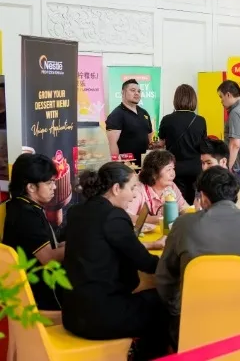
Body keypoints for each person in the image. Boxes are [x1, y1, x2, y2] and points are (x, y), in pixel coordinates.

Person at [156, 166, 240, 347]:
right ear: (235, 195)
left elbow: (165, 277)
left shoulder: (183, 225)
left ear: (203, 198)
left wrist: (177, 309)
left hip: (194, 326)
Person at [62, 163, 169, 361]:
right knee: (162, 303)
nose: (134, 195)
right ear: (116, 188)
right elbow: (146, 263)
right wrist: (176, 264)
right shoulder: (114, 216)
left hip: (72, 313)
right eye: (132, 188)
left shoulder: (77, 211)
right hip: (100, 318)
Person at [2, 153, 64, 310]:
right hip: (37, 296)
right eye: (49, 183)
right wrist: (82, 243)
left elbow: (52, 245)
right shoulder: (26, 215)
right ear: (31, 187)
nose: (54, 187)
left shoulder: (20, 205)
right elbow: (49, 258)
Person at [158, 84, 207, 203]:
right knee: (195, 201)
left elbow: (161, 142)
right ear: (193, 99)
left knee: (175, 201)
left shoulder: (167, 119)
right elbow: (203, 144)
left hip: (174, 168)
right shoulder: (200, 120)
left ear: (176, 99)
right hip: (196, 167)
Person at [200, 137, 240, 214]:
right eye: (202, 163)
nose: (204, 168)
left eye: (209, 163)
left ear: (223, 161)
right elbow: (198, 209)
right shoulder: (203, 180)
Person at [126, 150, 190, 224]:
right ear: (153, 174)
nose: (173, 174)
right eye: (168, 169)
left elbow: (184, 208)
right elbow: (128, 216)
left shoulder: (171, 186)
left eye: (173, 168)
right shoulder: (138, 189)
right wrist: (155, 220)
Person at [106, 79, 153, 166]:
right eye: (132, 90)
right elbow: (112, 144)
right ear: (123, 92)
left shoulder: (144, 113)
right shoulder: (116, 114)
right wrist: (117, 166)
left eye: (139, 91)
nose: (137, 93)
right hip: (126, 166)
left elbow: (149, 136)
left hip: (146, 164)